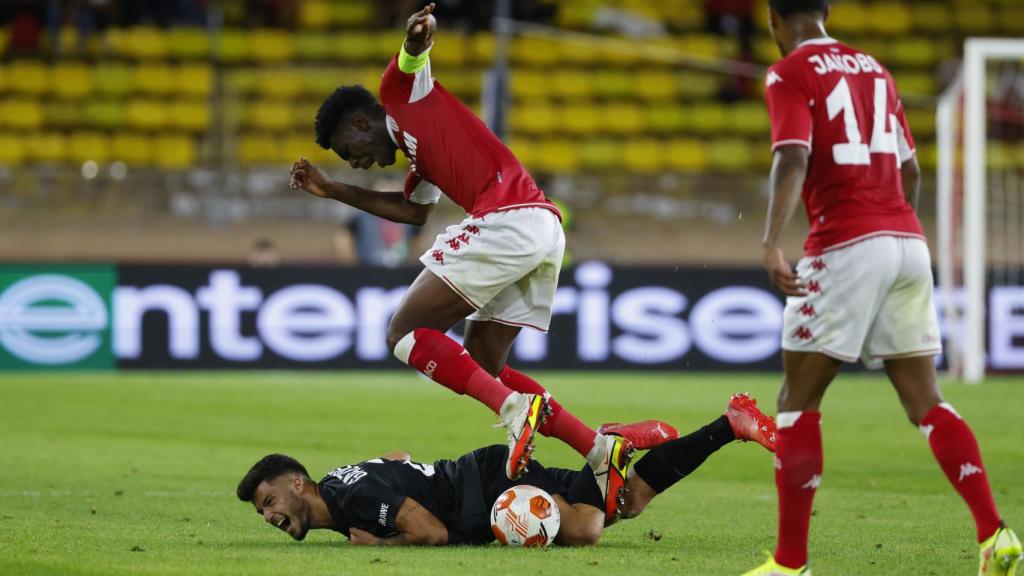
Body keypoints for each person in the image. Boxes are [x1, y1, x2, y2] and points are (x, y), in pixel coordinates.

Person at [288, 3, 656, 521]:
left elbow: (412, 57)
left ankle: (512, 410)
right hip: (542, 229)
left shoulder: (399, 97)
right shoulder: (420, 154)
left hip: (509, 220)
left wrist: (418, 36)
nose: (355, 162)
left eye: (351, 150)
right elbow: (412, 212)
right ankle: (598, 450)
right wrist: (332, 191)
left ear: (359, 121)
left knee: (401, 333)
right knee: (485, 361)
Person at [745, 1, 1022, 575]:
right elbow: (912, 169)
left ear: (775, 20)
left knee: (796, 405)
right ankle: (995, 536)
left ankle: (790, 565)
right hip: (907, 241)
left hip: (845, 243)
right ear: (825, 11)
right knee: (927, 401)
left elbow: (792, 155)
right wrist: (892, 235)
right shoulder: (874, 68)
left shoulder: (788, 73)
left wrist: (772, 241)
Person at [236, 394, 777, 547]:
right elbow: (396, 458)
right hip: (479, 480)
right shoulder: (339, 484)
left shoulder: (351, 501)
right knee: (627, 500)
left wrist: (383, 546)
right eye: (264, 511)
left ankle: (605, 443)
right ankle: (731, 424)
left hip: (485, 490)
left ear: (297, 485)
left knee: (590, 526)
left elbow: (432, 531)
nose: (270, 516)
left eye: (271, 502)